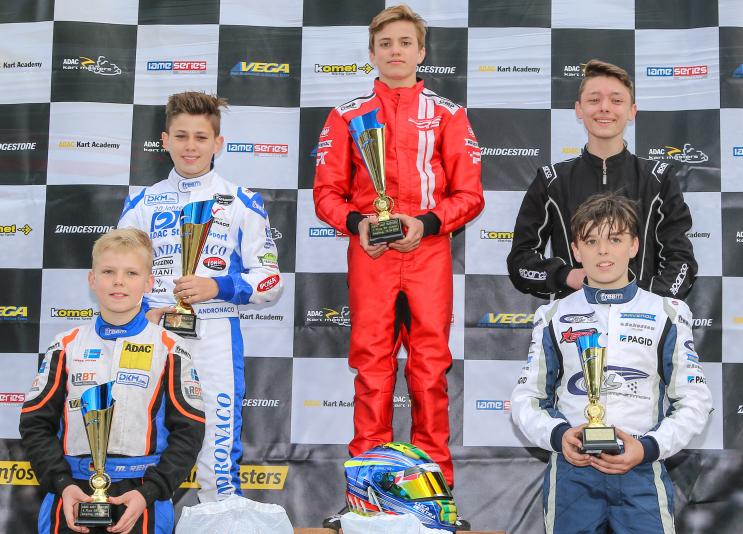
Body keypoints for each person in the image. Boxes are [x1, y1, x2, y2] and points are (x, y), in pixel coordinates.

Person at [313, 4, 483, 529]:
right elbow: (326, 193)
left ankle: (436, 497)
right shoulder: (346, 115)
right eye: (385, 43)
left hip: (428, 254)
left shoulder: (449, 114)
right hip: (371, 255)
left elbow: (470, 195)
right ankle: (366, 496)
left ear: (421, 52)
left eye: (405, 42)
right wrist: (358, 222)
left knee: (429, 373)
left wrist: (427, 223)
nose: (395, 51)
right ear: (371, 53)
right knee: (372, 371)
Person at [511, 193, 712, 533]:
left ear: (634, 245)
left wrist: (648, 448)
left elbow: (695, 400)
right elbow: (526, 399)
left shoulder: (666, 313)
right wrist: (559, 436)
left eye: (615, 239)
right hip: (573, 472)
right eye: (591, 241)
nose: (603, 251)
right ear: (576, 250)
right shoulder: (553, 315)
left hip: (641, 470)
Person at [118, 91, 283, 502]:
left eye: (201, 137)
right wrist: (141, 312)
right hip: (152, 333)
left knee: (217, 452)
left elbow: (271, 282)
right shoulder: (141, 203)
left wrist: (218, 286)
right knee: (141, 436)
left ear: (218, 143)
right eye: (181, 136)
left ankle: (220, 518)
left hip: (215, 333)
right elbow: (118, 272)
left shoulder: (242, 201)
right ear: (165, 140)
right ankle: (142, 520)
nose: (190, 146)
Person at [20, 228, 205, 534]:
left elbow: (189, 432)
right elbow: (35, 424)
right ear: (92, 279)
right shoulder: (65, 345)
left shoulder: (171, 348)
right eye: (108, 271)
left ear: (148, 283)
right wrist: (62, 482)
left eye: (131, 273)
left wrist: (151, 491)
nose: (119, 281)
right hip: (71, 495)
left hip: (142, 497)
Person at [507, 59, 697, 300]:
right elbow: (521, 261)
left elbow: (681, 261)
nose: (605, 108)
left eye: (616, 101)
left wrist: (646, 301)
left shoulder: (659, 178)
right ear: (579, 109)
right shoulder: (551, 180)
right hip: (573, 317)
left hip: (643, 319)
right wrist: (567, 276)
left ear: (632, 111)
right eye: (594, 100)